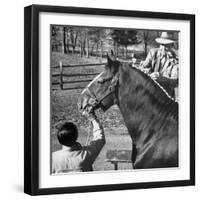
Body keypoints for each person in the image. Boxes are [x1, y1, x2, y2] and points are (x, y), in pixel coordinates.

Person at [139, 32, 179, 100]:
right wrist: (146, 71)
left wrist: (161, 78)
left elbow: (175, 82)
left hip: (166, 96)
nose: (163, 48)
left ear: (172, 45)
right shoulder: (153, 52)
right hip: (151, 92)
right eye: (162, 44)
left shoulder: (176, 60)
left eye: (167, 45)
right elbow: (143, 67)